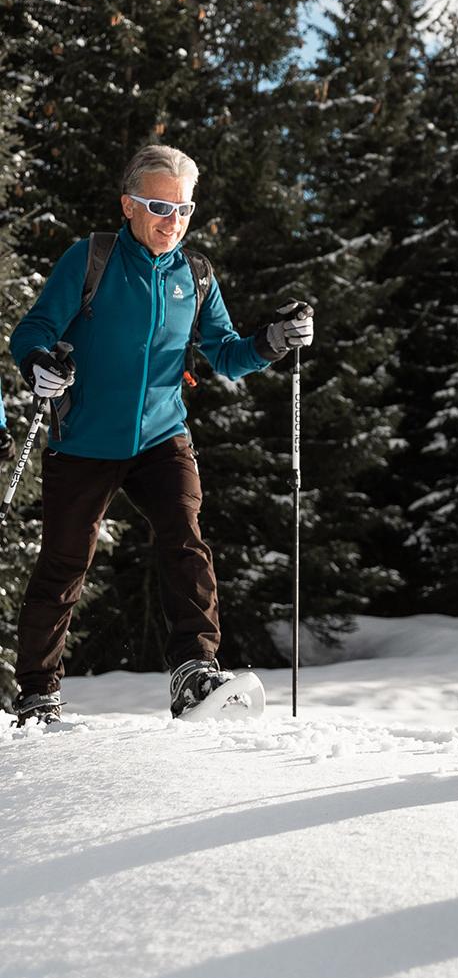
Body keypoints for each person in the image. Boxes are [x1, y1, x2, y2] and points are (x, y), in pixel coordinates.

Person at [7, 144, 314, 726]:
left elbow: (226, 354)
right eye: (158, 206)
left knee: (184, 538)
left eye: (184, 210)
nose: (172, 222)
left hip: (161, 436)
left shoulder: (195, 276)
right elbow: (34, 329)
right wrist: (39, 363)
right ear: (128, 206)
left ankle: (194, 673)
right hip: (83, 440)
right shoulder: (91, 259)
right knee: (65, 564)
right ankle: (37, 695)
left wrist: (273, 340)